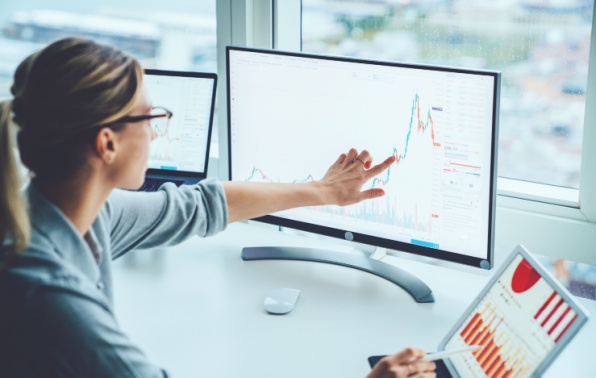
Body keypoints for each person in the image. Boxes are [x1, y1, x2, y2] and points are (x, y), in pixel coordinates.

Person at [0, 37, 436, 378]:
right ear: (107, 144)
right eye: (149, 118)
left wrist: (323, 191)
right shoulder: (46, 294)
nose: (156, 133)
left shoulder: (71, 213)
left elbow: (199, 205)